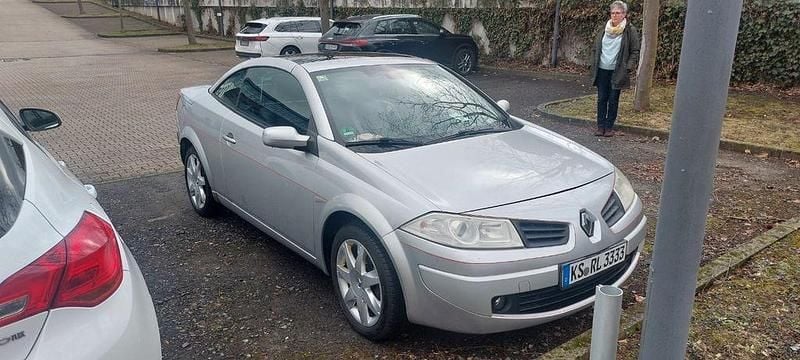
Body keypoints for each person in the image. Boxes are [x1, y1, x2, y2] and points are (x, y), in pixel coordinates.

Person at [590, 1, 640, 137]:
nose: (615, 15)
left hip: (618, 71)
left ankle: (609, 127)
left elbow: (635, 51)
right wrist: (592, 63)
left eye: (618, 13)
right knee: (601, 99)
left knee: (613, 99)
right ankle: (600, 126)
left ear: (624, 14)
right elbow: (595, 48)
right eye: (613, 13)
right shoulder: (604, 28)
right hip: (602, 69)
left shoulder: (629, 30)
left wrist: (627, 67)